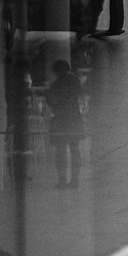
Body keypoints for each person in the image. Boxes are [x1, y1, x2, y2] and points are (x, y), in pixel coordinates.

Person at [44, 58, 86, 187]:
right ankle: (75, 180)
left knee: (61, 151)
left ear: (56, 71)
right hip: (75, 119)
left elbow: (51, 100)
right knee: (75, 150)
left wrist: (47, 90)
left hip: (60, 120)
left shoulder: (57, 83)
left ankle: (62, 180)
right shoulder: (75, 82)